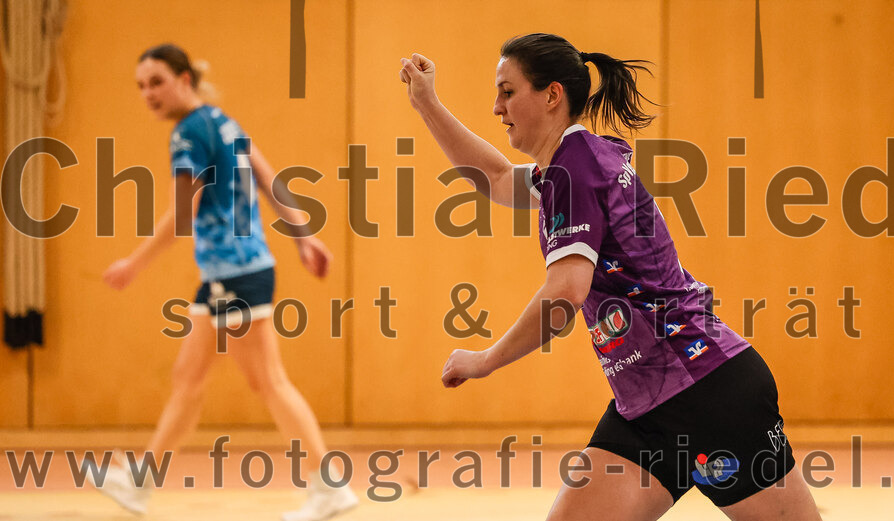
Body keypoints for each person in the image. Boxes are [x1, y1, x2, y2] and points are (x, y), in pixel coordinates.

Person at [399, 34, 822, 521]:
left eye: (508, 92)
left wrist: (486, 360)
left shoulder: (575, 171)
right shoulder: (570, 163)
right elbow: (495, 179)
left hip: (705, 391)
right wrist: (427, 104)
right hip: (645, 406)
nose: (497, 107)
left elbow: (565, 294)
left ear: (552, 95)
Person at [91, 44, 357, 521]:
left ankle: (330, 487)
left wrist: (134, 263)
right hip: (227, 276)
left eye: (157, 82)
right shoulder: (222, 122)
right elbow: (270, 180)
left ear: (185, 79)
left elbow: (183, 216)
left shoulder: (188, 134)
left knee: (269, 381)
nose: (148, 93)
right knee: (188, 380)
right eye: (141, 86)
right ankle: (139, 484)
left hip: (236, 275)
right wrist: (303, 236)